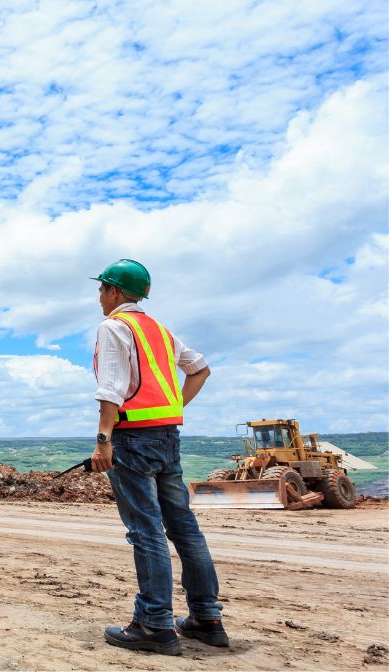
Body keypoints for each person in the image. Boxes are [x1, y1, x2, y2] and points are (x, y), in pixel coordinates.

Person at [90, 259, 228, 655]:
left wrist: (104, 440)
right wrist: (174, 408)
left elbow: (111, 389)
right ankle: (206, 618)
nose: (99, 297)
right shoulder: (160, 331)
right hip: (168, 437)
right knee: (185, 529)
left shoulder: (114, 326)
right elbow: (200, 370)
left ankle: (154, 625)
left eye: (102, 289)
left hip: (132, 439)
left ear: (115, 291)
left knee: (146, 531)